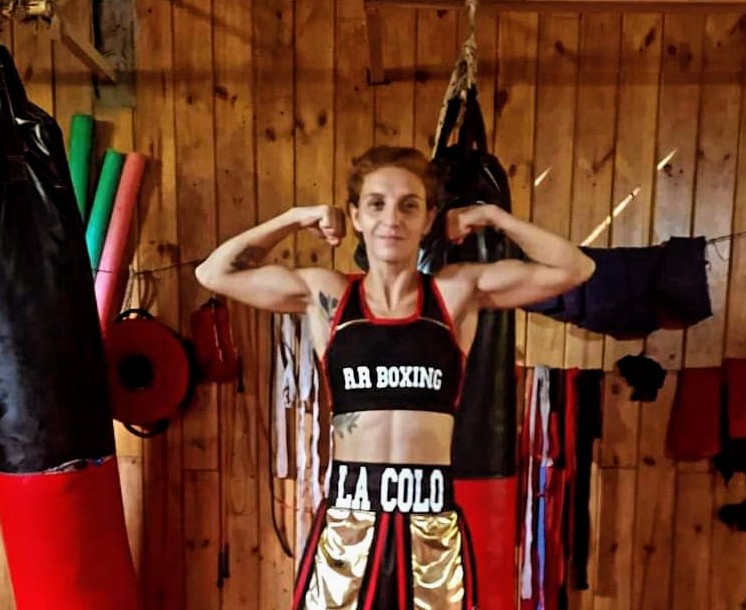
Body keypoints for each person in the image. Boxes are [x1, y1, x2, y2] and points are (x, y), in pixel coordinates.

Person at [195, 146, 595, 610]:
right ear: (356, 216)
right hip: (349, 524)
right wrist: (295, 217)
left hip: (430, 524)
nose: (392, 219)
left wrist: (493, 217)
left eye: (409, 205)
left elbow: (576, 268)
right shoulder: (326, 296)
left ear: (428, 220)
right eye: (376, 204)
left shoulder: (455, 293)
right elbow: (214, 272)